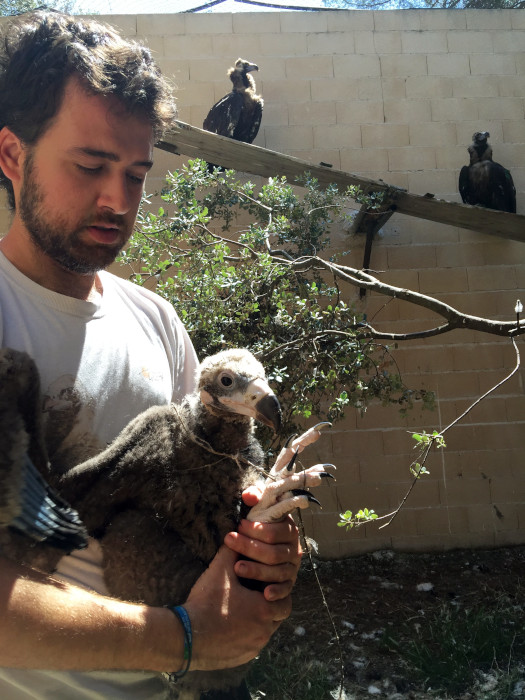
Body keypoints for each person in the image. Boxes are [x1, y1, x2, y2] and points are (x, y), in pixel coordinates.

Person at [0, 10, 302, 699]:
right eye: (91, 165)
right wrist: (188, 639)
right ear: (12, 157)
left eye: (136, 173)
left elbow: (193, 502)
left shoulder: (155, 319)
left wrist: (257, 550)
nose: (119, 199)